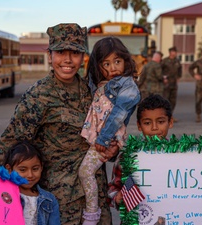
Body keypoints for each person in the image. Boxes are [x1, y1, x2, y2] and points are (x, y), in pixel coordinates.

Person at [0, 23, 118, 225]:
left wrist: (112, 151)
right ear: (50, 56)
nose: (67, 60)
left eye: (74, 52)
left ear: (83, 57)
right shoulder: (39, 95)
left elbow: (108, 133)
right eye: (60, 52)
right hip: (61, 205)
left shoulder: (93, 91)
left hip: (96, 200)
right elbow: (10, 144)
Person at [78, 37, 140, 225]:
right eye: (106, 63)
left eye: (117, 62)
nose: (113, 68)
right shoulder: (102, 83)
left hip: (110, 138)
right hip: (102, 137)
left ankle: (91, 213)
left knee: (85, 172)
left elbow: (118, 115)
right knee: (122, 176)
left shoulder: (127, 85)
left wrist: (103, 139)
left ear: (125, 61)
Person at [107, 94, 174, 209]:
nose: (154, 128)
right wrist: (116, 197)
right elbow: (114, 187)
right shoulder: (129, 156)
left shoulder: (180, 155)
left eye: (161, 122)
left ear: (170, 122)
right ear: (139, 125)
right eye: (147, 123)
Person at [161, 46, 182, 121]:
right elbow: (159, 70)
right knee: (166, 100)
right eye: (174, 52)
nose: (175, 53)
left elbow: (180, 70)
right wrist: (163, 78)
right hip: (166, 84)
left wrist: (178, 77)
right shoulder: (164, 61)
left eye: (176, 52)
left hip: (174, 84)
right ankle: (164, 116)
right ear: (170, 52)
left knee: (173, 101)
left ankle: (170, 116)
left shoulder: (177, 61)